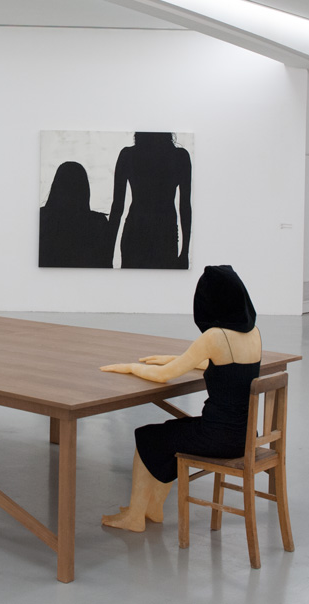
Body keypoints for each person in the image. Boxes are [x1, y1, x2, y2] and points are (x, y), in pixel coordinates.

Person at [99, 265, 260, 532]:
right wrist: (175, 359)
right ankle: (153, 508)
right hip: (246, 436)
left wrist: (130, 367)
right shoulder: (253, 333)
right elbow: (224, 366)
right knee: (171, 435)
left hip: (218, 438)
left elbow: (163, 376)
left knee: (147, 437)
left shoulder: (214, 336)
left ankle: (134, 517)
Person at [107, 132, 192, 269]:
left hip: (135, 231)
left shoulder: (128, 155)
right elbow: (185, 207)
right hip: (165, 233)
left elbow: (117, 207)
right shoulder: (180, 157)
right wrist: (185, 251)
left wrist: (108, 252)